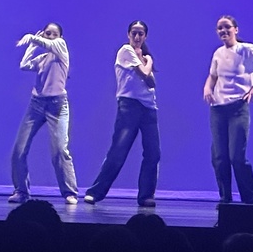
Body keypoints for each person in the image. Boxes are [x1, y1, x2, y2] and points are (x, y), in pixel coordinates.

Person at [203, 15, 253, 205]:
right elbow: (212, 76)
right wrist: (207, 88)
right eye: (219, 28)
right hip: (218, 109)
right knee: (220, 157)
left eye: (227, 27)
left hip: (238, 108)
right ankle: (225, 198)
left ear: (236, 29)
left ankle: (251, 200)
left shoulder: (247, 50)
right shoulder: (218, 53)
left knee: (237, 157)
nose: (223, 31)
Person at [85, 21, 160, 207]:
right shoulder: (126, 50)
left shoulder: (142, 56)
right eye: (134, 33)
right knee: (118, 151)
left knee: (153, 154)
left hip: (149, 108)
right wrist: (148, 61)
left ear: (145, 36)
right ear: (128, 34)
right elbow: (144, 74)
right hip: (129, 107)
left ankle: (146, 196)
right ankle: (95, 192)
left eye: (141, 34)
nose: (137, 37)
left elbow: (152, 84)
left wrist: (145, 61)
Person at [9, 23, 78, 204]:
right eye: (47, 34)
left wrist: (32, 37)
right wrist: (31, 47)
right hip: (36, 105)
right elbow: (23, 65)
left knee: (59, 150)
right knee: (19, 149)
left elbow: (50, 44)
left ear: (60, 38)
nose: (50, 37)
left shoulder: (61, 50)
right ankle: (21, 191)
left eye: (54, 34)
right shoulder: (42, 58)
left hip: (57, 106)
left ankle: (69, 192)